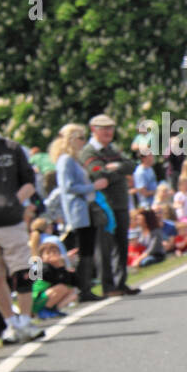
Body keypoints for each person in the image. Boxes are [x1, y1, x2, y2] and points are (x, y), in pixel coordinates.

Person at [0, 106, 45, 342]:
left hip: (11, 221)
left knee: (22, 271)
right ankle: (10, 323)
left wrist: (16, 201)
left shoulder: (12, 149)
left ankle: (27, 320)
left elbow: (30, 181)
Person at [81, 113, 140, 296]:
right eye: (104, 128)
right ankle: (108, 286)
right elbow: (99, 175)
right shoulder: (90, 152)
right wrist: (118, 170)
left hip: (120, 203)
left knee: (122, 245)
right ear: (94, 130)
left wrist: (117, 168)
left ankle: (120, 282)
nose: (108, 132)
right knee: (105, 247)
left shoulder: (112, 150)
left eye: (110, 128)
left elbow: (132, 165)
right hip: (104, 205)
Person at [53, 123, 107, 302]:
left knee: (88, 248)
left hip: (85, 208)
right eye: (80, 138)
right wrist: (92, 186)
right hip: (78, 210)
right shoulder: (66, 160)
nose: (83, 141)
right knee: (84, 248)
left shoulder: (73, 159)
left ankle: (85, 286)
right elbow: (67, 187)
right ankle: (83, 289)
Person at [29, 238, 79, 318]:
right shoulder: (43, 268)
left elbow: (74, 283)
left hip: (45, 296)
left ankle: (53, 310)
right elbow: (57, 280)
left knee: (72, 291)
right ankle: (44, 311)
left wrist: (63, 268)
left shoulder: (58, 267)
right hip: (35, 300)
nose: (52, 255)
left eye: (55, 252)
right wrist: (60, 268)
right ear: (42, 257)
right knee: (62, 288)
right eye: (48, 253)